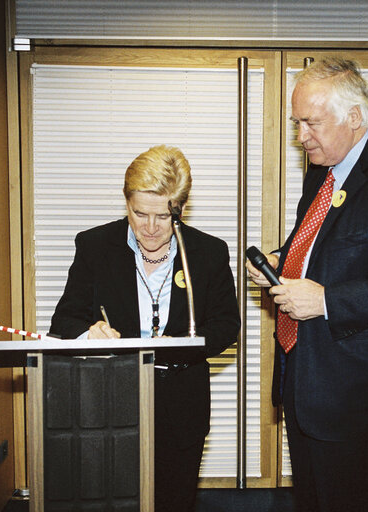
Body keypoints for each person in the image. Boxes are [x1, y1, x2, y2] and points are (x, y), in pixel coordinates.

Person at [247, 58, 368, 511]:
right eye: (297, 123)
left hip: (355, 389)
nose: (301, 137)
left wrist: (326, 300)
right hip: (304, 375)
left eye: (311, 123)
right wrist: (281, 258)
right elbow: (318, 243)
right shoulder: (323, 169)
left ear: (354, 117)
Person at [50, 144, 240, 512]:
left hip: (181, 401)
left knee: (174, 500)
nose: (150, 228)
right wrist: (91, 332)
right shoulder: (94, 246)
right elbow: (64, 321)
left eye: (162, 217)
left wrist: (187, 343)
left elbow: (226, 325)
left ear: (179, 210)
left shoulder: (208, 252)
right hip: (110, 399)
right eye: (140, 214)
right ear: (126, 203)